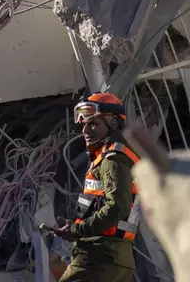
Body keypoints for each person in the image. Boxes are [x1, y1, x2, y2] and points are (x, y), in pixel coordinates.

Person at [54, 92, 140, 282]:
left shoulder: (113, 159)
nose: (86, 130)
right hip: (114, 258)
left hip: (99, 258)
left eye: (93, 124)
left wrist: (77, 230)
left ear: (113, 123)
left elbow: (118, 206)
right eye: (84, 124)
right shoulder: (113, 156)